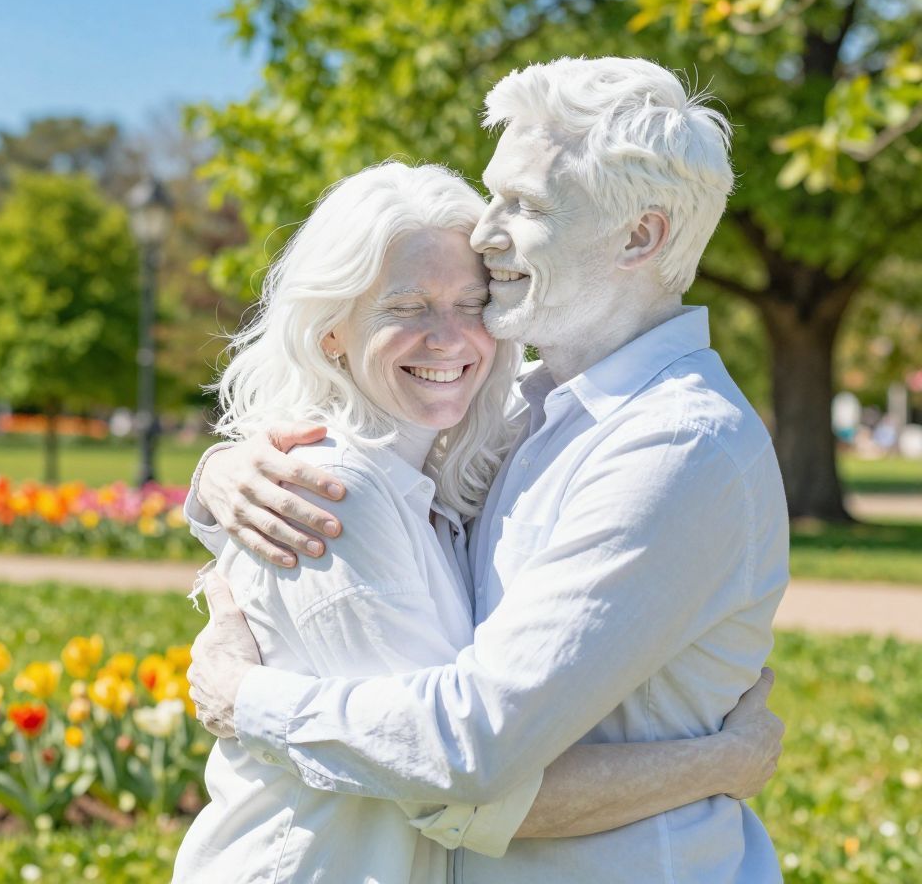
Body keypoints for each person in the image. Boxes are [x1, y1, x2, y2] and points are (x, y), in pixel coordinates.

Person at [183, 57, 790, 882]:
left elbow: (466, 756)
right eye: (494, 194)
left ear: (640, 236)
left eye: (527, 206)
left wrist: (243, 698)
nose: (486, 233)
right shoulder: (523, 412)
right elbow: (359, 455)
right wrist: (222, 476)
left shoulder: (675, 445)